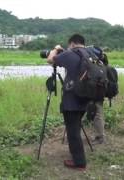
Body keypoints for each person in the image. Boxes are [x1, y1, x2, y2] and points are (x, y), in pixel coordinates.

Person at [47, 34, 88, 171]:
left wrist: (56, 48)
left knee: (73, 131)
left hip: (72, 99)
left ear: (72, 43)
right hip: (86, 98)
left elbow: (50, 60)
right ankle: (77, 155)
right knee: (76, 127)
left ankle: (79, 162)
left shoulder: (69, 54)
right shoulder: (89, 53)